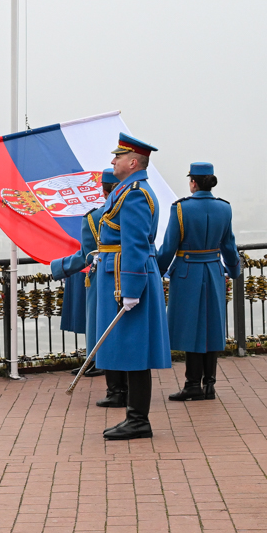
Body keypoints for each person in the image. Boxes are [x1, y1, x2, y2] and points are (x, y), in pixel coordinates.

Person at [93, 133, 171, 440]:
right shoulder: (126, 190)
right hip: (121, 274)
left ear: (133, 162)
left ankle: (138, 419)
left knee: (135, 350)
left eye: (118, 157)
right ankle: (134, 416)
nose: (113, 161)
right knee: (129, 350)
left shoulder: (135, 193)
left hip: (127, 278)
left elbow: (136, 243)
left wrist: (131, 289)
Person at [156, 163, 241, 400]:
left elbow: (169, 247)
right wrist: (234, 270)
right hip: (214, 270)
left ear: (193, 182)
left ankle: (193, 384)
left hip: (186, 273)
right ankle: (209, 384)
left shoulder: (181, 208)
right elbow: (229, 245)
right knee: (212, 327)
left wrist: (158, 271)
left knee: (190, 328)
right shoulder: (225, 208)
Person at [51, 170, 117, 390]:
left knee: (99, 321)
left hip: (103, 277)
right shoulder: (138, 210)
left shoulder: (95, 217)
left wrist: (59, 267)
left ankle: (104, 371)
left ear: (103, 190)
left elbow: (87, 255)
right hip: (134, 274)